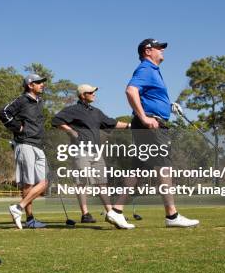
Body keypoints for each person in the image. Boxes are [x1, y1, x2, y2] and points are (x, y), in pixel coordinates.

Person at [108, 39, 199, 229]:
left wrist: (168, 105)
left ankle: (115, 211)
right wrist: (144, 117)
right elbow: (131, 91)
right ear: (148, 51)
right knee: (163, 168)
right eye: (159, 47)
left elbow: (148, 95)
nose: (163, 50)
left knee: (138, 170)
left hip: (151, 122)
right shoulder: (146, 68)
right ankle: (172, 215)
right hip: (150, 124)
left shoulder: (154, 71)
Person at [52, 84, 130, 224]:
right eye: (91, 92)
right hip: (80, 150)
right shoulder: (73, 110)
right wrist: (70, 131)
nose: (94, 94)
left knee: (102, 183)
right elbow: (56, 120)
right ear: (83, 95)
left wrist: (130, 125)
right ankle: (85, 214)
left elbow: (111, 123)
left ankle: (111, 213)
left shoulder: (96, 112)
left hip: (96, 152)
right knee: (82, 182)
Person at [0, 74, 49, 229]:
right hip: (24, 144)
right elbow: (4, 113)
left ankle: (18, 207)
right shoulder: (22, 100)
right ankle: (30, 219)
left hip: (38, 145)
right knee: (28, 182)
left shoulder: (40, 102)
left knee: (45, 181)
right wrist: (18, 128)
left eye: (42, 83)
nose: (42, 85)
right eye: (38, 83)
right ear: (30, 85)